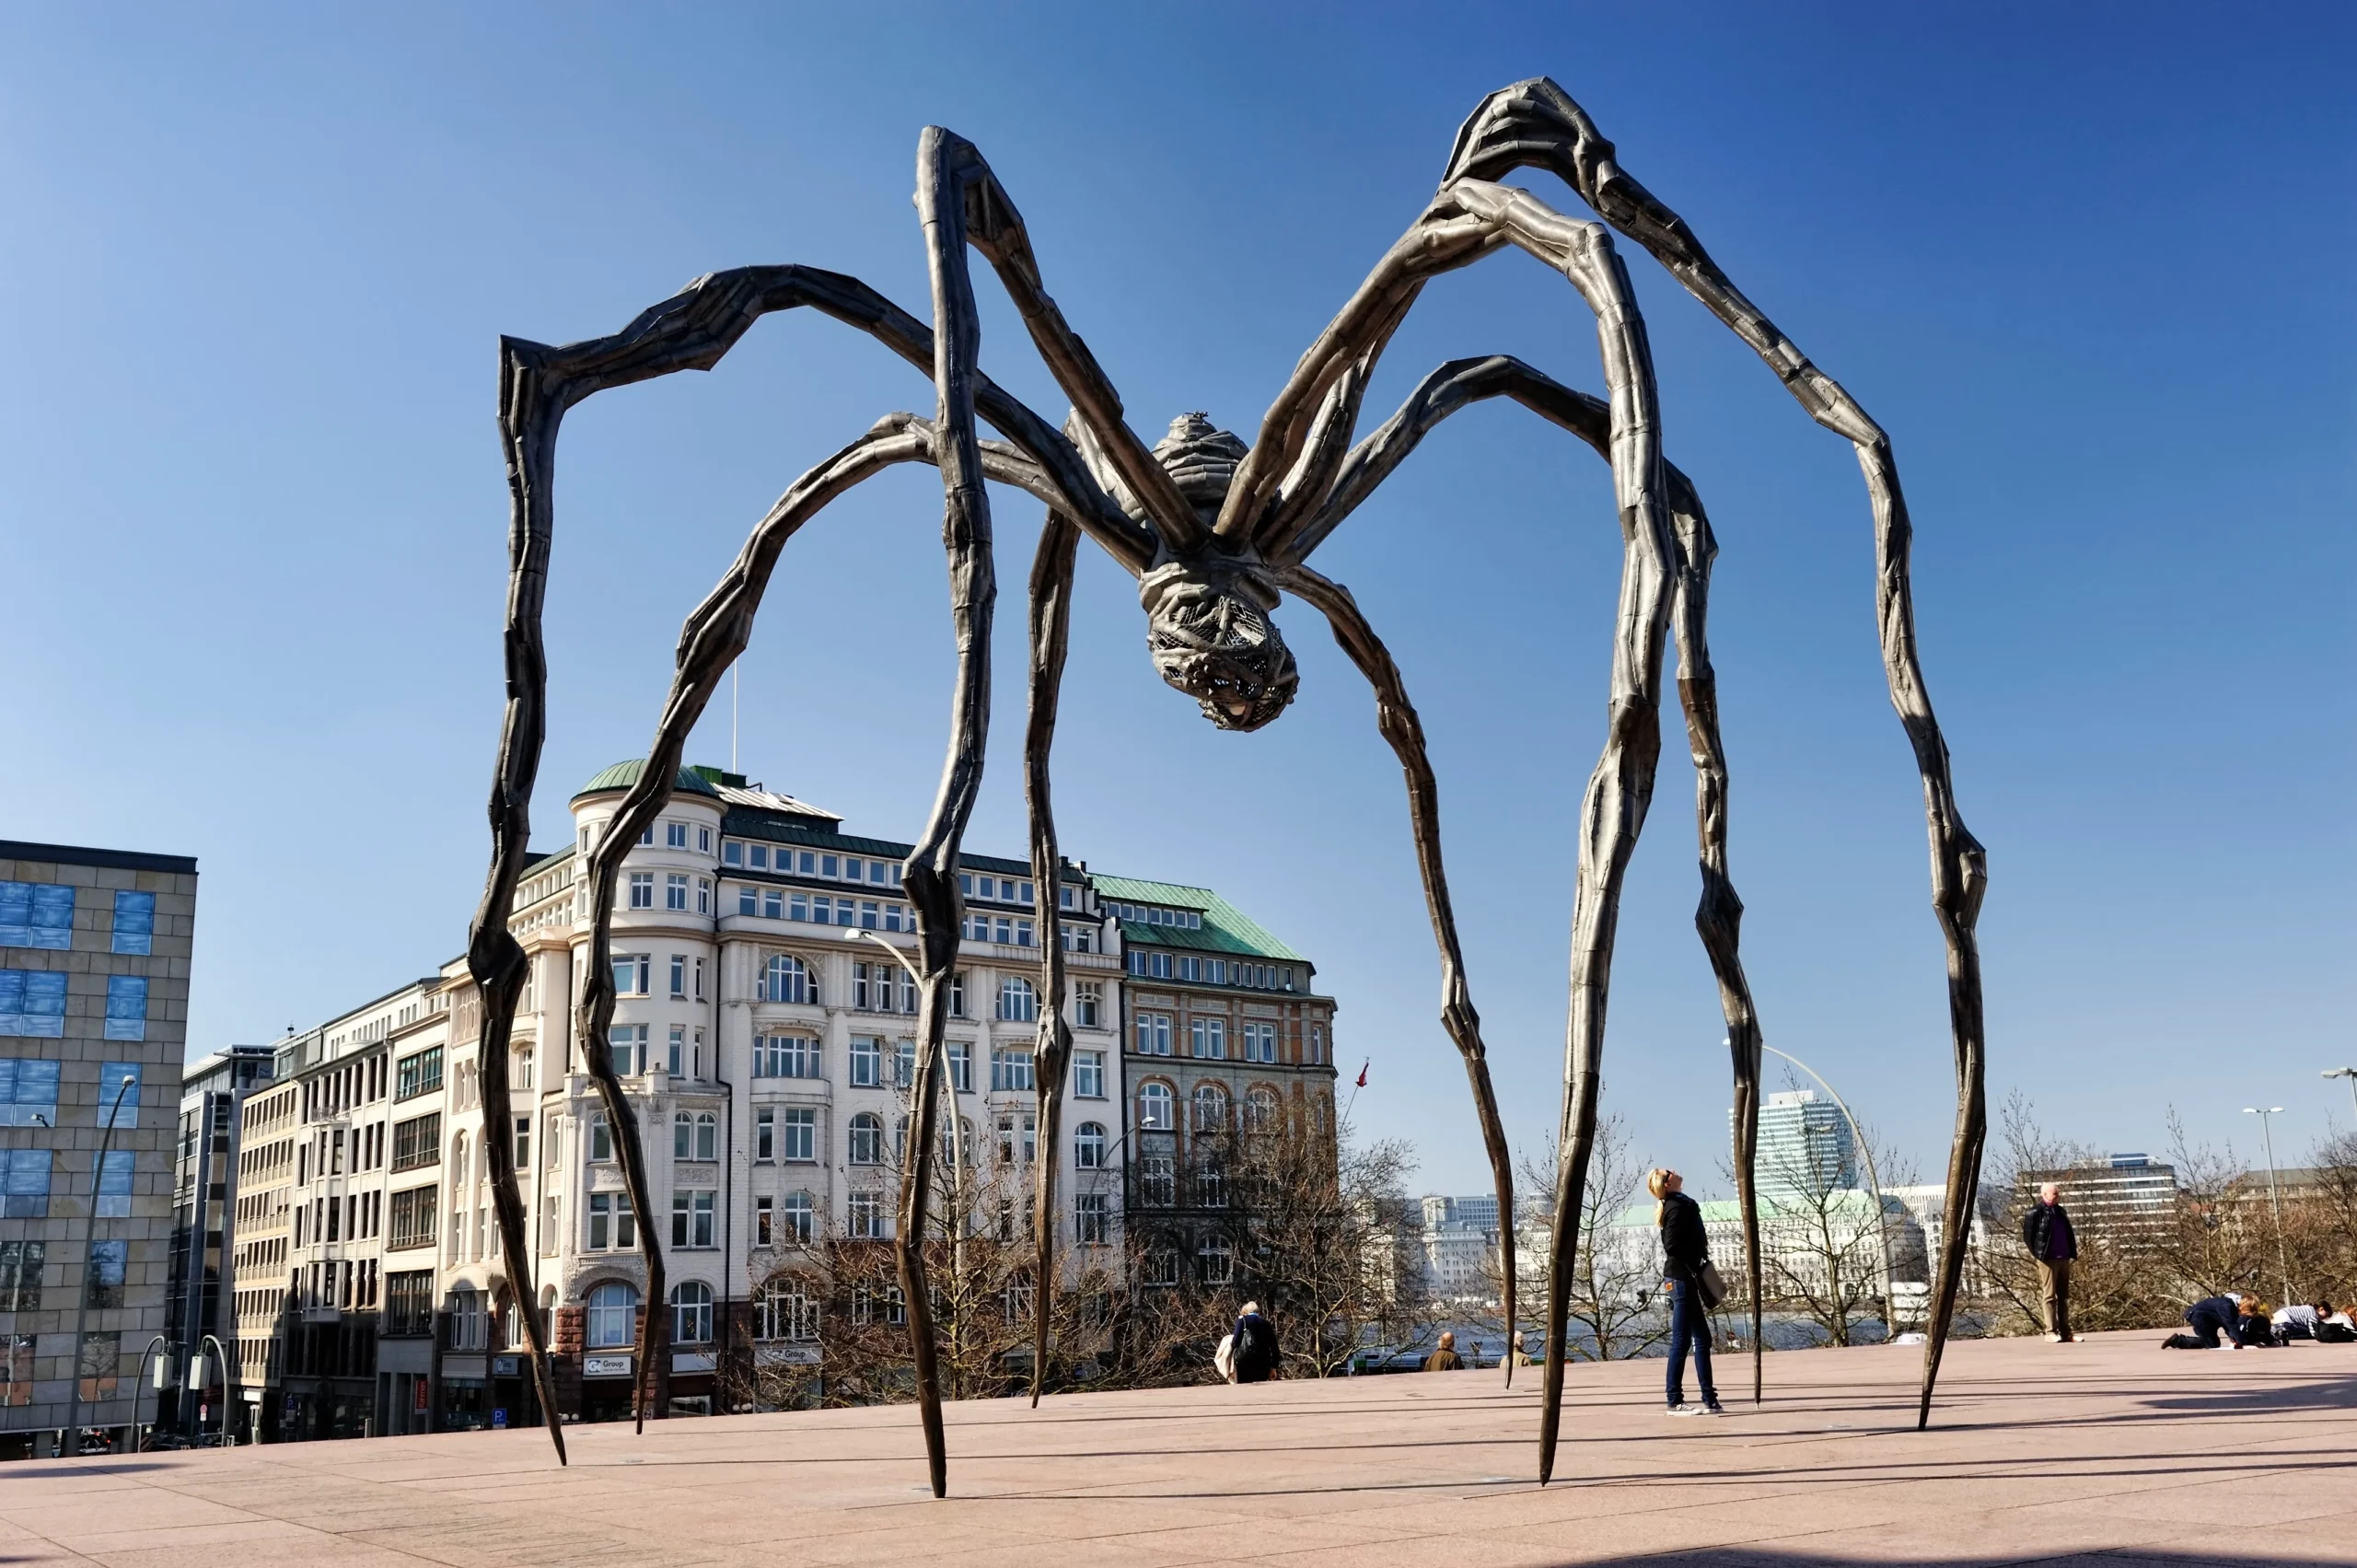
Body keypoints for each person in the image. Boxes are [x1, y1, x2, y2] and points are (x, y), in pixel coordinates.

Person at [1649, 1167, 1724, 1416]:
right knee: (1681, 1341)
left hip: (1684, 1277)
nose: (1677, 1173)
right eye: (1670, 1173)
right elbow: (1671, 1244)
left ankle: (1710, 1399)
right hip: (1681, 1278)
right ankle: (1674, 1401)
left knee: (1702, 1339)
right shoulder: (1677, 1207)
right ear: (1667, 1184)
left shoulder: (1680, 1204)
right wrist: (1694, 1260)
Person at [2019, 1182, 2078, 1342]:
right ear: (2044, 1195)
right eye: (2054, 1194)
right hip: (2048, 1259)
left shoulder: (2061, 1211)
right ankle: (2050, 1332)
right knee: (2050, 1296)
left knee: (2064, 1296)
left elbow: (2068, 1233)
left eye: (2057, 1194)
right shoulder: (2034, 1213)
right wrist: (2039, 1255)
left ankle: (2066, 1333)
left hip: (2064, 1258)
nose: (2057, 1197)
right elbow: (2028, 1237)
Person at [2165, 1293, 2267, 1349]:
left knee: (2212, 1343)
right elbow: (2231, 1325)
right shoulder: (2226, 1305)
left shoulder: (2232, 1305)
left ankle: (2178, 1341)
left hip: (2208, 1318)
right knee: (2212, 1345)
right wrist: (2243, 1343)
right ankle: (2177, 1341)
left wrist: (2238, 1340)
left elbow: (2230, 1328)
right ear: (2244, 1306)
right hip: (2197, 1316)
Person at [1231, 1300, 1279, 1383]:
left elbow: (1236, 1341)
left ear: (1245, 1311)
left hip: (1245, 1362)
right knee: (1260, 1388)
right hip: (1263, 1362)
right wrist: (1274, 1367)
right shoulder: (1265, 1323)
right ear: (1258, 1311)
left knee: (1245, 1388)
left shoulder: (1242, 1321)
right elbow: (1274, 1346)